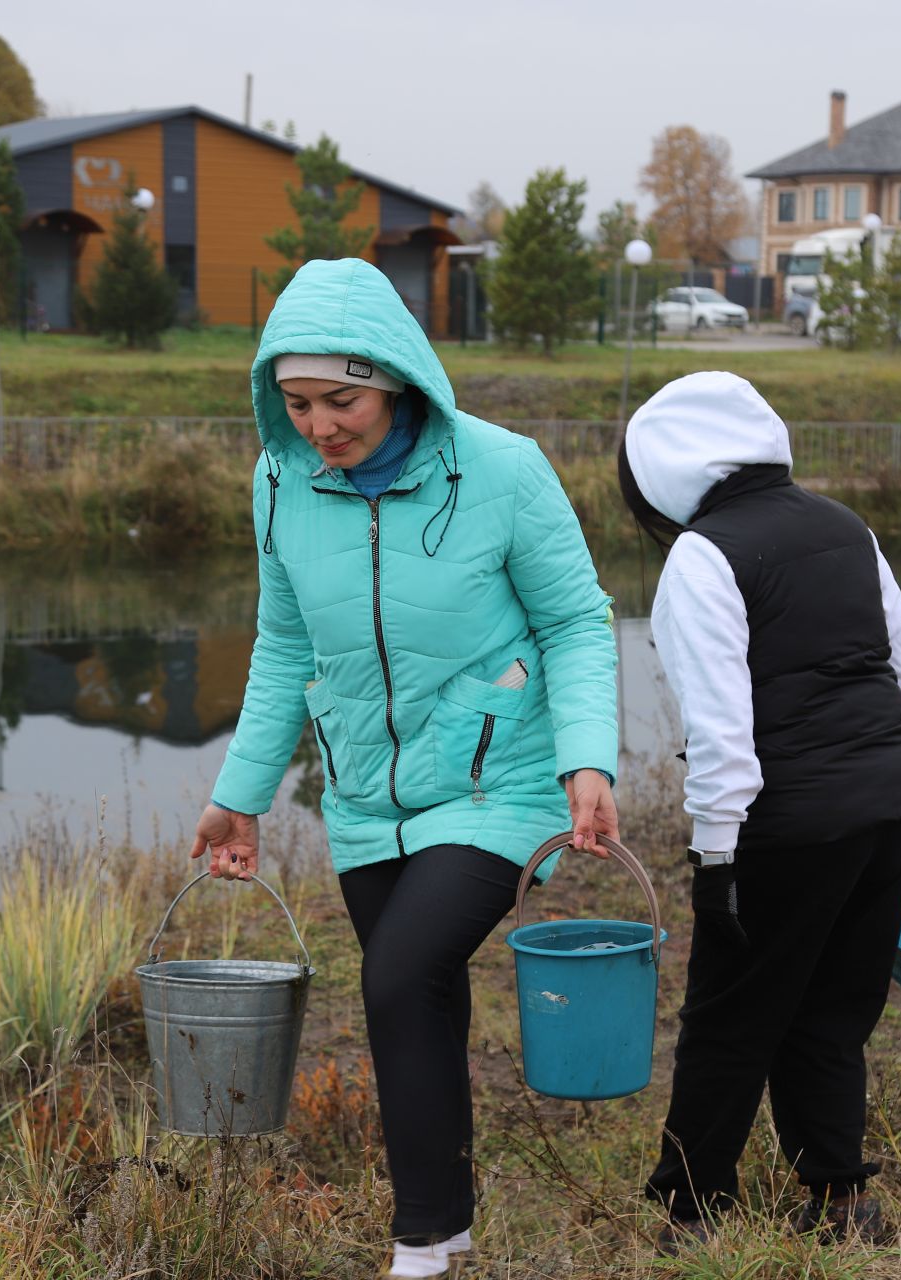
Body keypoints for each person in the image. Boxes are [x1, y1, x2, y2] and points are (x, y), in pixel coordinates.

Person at [189, 259, 620, 1280]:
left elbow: (576, 618)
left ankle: (419, 1241)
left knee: (398, 971)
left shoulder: (503, 469)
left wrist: (585, 758)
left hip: (495, 782)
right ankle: (450, 1222)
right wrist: (237, 795)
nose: (319, 425)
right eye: (296, 402)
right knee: (412, 998)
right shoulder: (280, 480)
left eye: (341, 399)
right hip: (364, 794)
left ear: (394, 378)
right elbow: (284, 642)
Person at [617, 372, 901, 1248]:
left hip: (788, 825)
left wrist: (715, 859)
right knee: (833, 1011)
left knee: (731, 1016)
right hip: (887, 810)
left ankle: (692, 1210)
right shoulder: (847, 528)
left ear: (661, 475)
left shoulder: (704, 555)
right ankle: (841, 1200)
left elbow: (721, 730)